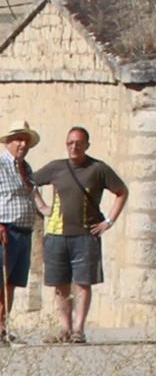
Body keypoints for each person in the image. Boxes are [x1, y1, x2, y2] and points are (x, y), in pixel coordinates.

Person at [32, 128, 124, 347]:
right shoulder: (56, 168)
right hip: (56, 234)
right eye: (70, 143)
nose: (74, 147)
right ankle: (64, 328)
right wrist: (42, 205)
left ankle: (79, 330)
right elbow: (30, 182)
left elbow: (122, 192)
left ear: (87, 145)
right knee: (60, 284)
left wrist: (108, 222)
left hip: (85, 234)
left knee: (83, 283)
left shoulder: (98, 169)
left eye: (79, 143)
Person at [0, 127, 34, 344]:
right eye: (19, 140)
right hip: (5, 230)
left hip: (23, 231)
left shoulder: (26, 167)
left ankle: (3, 326)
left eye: (26, 141)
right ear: (9, 142)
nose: (23, 145)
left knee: (11, 282)